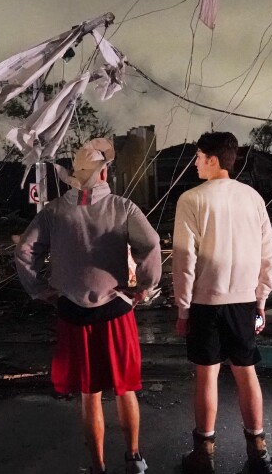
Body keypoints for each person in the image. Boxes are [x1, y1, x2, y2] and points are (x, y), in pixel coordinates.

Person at [14, 139, 162, 474]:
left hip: (72, 312)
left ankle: (97, 467)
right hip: (115, 311)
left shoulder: (54, 211)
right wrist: (142, 288)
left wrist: (40, 289)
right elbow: (151, 243)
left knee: (90, 393)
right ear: (105, 172)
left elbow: (25, 252)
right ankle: (134, 458)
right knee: (125, 389)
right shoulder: (123, 208)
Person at [173, 131, 272, 474]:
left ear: (212, 159)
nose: (194, 163)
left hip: (206, 302)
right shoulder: (252, 198)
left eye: (197, 157)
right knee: (246, 372)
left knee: (206, 376)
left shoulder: (191, 200)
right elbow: (269, 254)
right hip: (244, 301)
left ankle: (204, 453)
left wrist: (183, 308)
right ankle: (258, 450)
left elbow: (184, 260)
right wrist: (261, 299)